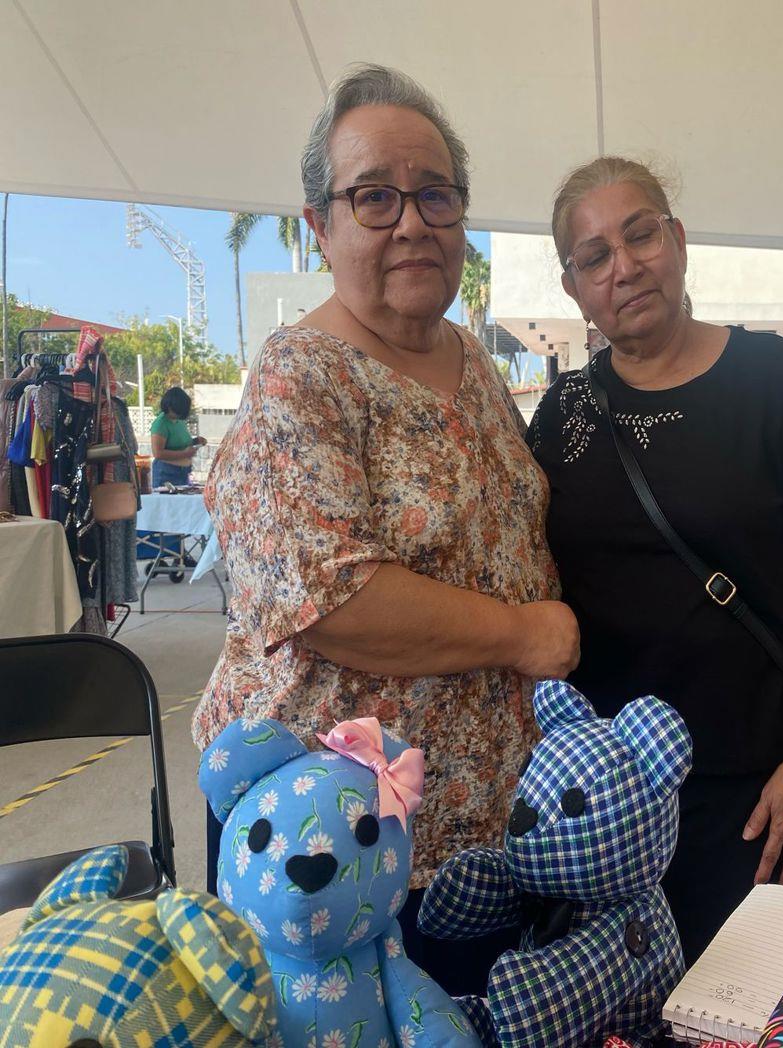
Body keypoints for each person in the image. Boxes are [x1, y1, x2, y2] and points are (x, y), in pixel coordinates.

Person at [192, 63, 579, 992]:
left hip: (473, 845)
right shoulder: (301, 374)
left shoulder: (473, 365)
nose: (412, 221)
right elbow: (331, 597)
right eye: (375, 197)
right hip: (331, 856)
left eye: (435, 196)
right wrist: (528, 633)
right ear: (320, 225)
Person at [528, 156, 783, 964]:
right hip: (598, 795)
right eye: (594, 256)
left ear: (677, 240)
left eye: (640, 234)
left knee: (726, 1008)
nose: (625, 265)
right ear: (574, 287)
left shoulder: (773, 381)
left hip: (745, 788)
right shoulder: (563, 412)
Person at [149, 386, 206, 487]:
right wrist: (184, 454)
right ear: (170, 407)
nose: (180, 415)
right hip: (166, 473)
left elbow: (178, 443)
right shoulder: (161, 424)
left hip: (183, 472)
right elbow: (158, 453)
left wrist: (195, 441)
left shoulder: (179, 421)